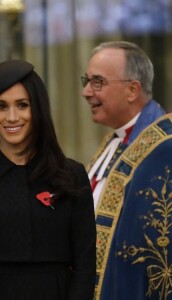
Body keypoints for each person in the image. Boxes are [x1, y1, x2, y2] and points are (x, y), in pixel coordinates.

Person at [0, 59, 96, 300]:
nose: (12, 117)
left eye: (22, 105)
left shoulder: (72, 175)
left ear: (37, 109)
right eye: (1, 106)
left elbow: (86, 263)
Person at [82, 40, 172, 299]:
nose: (86, 92)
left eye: (97, 82)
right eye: (86, 81)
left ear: (133, 90)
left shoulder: (162, 148)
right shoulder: (113, 141)